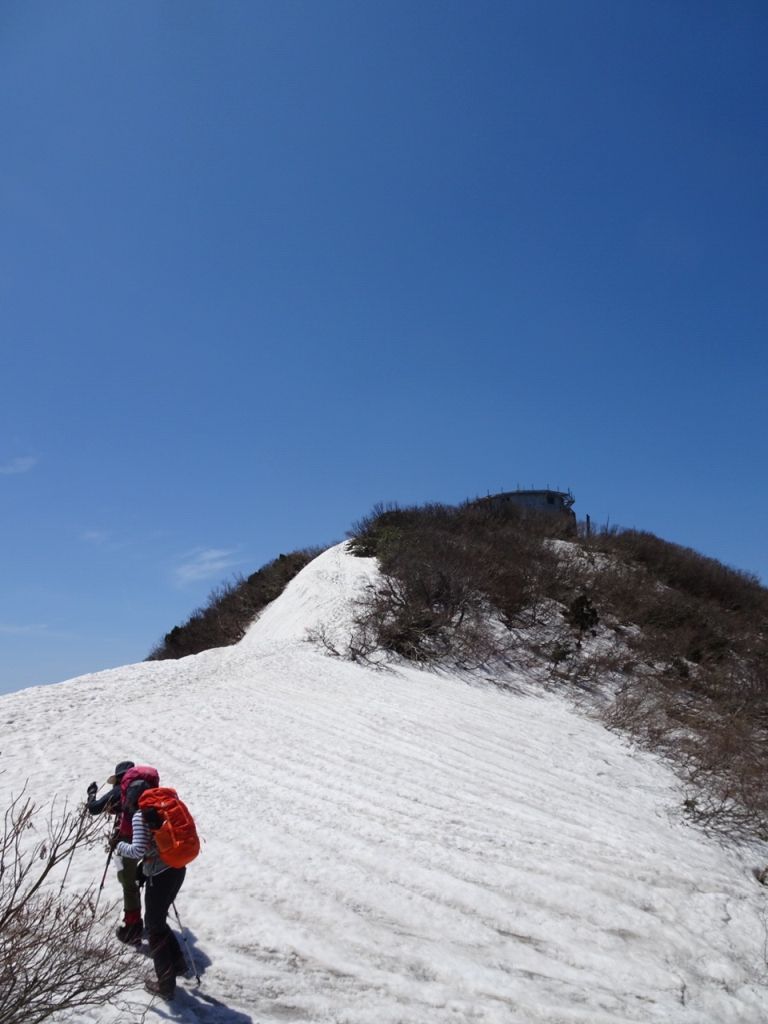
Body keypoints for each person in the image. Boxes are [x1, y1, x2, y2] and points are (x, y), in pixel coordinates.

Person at [114, 779, 187, 999]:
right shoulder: (164, 807)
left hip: (159, 874)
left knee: (154, 926)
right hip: (178, 868)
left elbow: (137, 851)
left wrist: (117, 844)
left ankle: (165, 984)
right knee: (158, 920)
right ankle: (179, 964)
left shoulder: (140, 815)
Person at [86, 759, 144, 945]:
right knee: (130, 878)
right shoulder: (143, 789)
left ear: (119, 778)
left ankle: (132, 926)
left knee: (126, 881)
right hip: (147, 839)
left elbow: (93, 809)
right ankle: (143, 916)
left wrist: (92, 794)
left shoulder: (120, 791)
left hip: (126, 842)